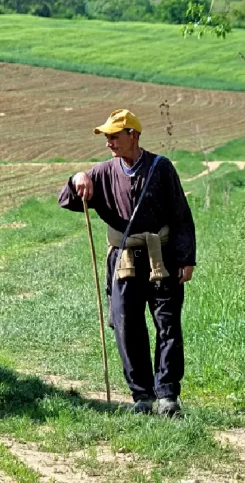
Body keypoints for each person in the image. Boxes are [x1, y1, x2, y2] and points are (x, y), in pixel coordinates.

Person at [58, 109, 196, 416]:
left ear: (133, 135)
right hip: (124, 262)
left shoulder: (161, 168)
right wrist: (76, 178)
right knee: (126, 326)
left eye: (114, 136)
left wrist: (186, 258)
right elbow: (68, 200)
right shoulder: (103, 172)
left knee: (168, 325)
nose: (109, 143)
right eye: (106, 137)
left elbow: (181, 215)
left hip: (163, 258)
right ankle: (142, 396)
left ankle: (167, 395)